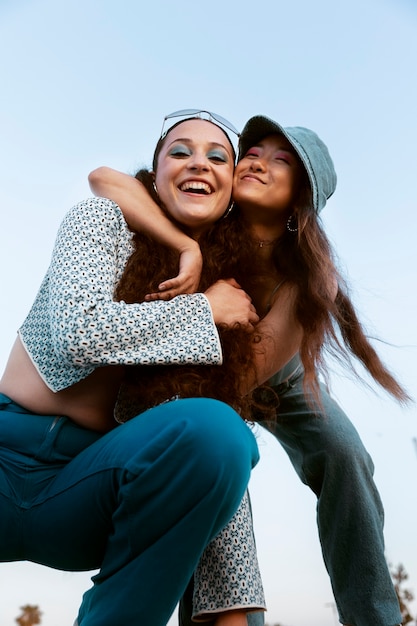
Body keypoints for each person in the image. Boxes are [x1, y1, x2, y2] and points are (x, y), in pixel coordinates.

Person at [90, 113, 410, 626]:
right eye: (254, 152)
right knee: (211, 453)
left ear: (300, 199)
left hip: (273, 375)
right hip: (197, 365)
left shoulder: (308, 279)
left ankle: (375, 618)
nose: (258, 162)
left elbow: (241, 382)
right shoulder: (209, 213)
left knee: (346, 455)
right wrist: (185, 245)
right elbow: (106, 179)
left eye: (281, 161)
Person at [0, 111, 263, 626]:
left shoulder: (231, 292)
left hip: (91, 490)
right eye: (180, 151)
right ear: (155, 174)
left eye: (218, 157)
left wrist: (236, 606)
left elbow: (212, 455)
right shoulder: (100, 220)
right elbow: (80, 333)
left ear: (232, 189)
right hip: (6, 454)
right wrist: (203, 308)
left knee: (219, 430)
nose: (199, 164)